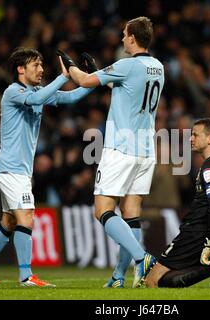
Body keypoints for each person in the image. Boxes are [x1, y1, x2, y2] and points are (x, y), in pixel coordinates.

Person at [0, 47, 94, 287]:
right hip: (10, 167)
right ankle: (26, 276)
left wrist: (92, 80)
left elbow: (70, 97)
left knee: (10, 221)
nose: (41, 69)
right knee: (27, 215)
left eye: (41, 65)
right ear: (20, 69)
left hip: (21, 171)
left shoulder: (39, 91)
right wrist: (63, 77)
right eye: (35, 65)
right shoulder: (13, 92)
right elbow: (36, 99)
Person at [59, 16, 164, 288]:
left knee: (102, 210)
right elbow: (128, 90)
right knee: (131, 213)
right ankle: (120, 277)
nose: (121, 39)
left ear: (132, 38)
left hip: (121, 148)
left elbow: (83, 81)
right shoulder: (157, 66)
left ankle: (143, 259)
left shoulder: (126, 65)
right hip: (146, 150)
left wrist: (69, 66)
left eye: (124, 34)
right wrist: (103, 75)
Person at [144, 118, 210, 288]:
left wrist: (209, 242)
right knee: (167, 280)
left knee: (151, 281)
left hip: (195, 233)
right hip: (206, 234)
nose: (191, 138)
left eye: (195, 135)